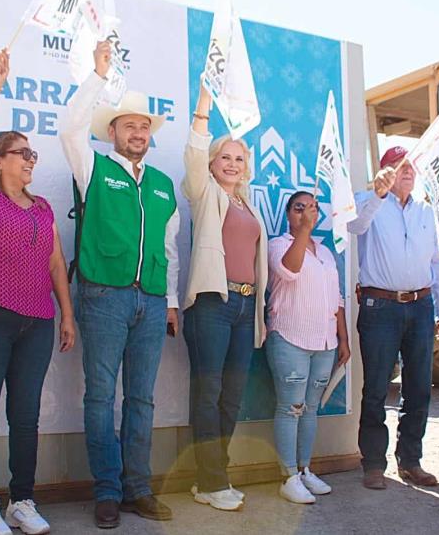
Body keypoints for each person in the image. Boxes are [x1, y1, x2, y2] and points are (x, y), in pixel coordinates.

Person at [0, 49, 75, 535]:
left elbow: (54, 262)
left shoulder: (42, 207)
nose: (30, 160)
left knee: (26, 416)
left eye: (32, 155)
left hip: (36, 320)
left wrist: (65, 314)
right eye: (22, 153)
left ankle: (22, 500)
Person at [59, 40, 180, 529]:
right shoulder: (94, 169)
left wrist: (170, 302)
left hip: (150, 302)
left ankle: (138, 488)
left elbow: (170, 251)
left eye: (144, 126)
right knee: (99, 397)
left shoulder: (163, 184)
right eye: (128, 124)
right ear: (112, 131)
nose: (137, 131)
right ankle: (107, 490)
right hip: (102, 296)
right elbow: (69, 129)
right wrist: (97, 75)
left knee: (142, 398)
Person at [182, 86, 269, 511]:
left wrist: (260, 312)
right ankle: (212, 482)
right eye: (225, 157)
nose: (232, 164)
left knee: (232, 396)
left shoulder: (248, 204)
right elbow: (194, 155)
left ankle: (214, 478)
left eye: (239, 158)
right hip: (213, 305)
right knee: (208, 393)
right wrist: (203, 107)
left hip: (245, 306)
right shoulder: (205, 193)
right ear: (213, 164)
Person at [348, 146, 439, 491]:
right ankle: (374, 464)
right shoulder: (367, 200)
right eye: (398, 165)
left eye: (411, 165)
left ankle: (410, 461)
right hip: (381, 307)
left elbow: (438, 262)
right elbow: (353, 225)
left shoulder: (427, 211)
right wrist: (378, 195)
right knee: (377, 388)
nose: (406, 171)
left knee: (419, 388)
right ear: (384, 171)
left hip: (421, 306)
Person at [266, 192, 350, 504]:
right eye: (298, 208)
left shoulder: (327, 254)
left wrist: (343, 338)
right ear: (288, 214)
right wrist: (303, 229)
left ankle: (304, 469)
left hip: (325, 342)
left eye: (311, 208)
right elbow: (290, 270)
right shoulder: (278, 244)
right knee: (291, 407)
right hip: (290, 338)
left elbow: (336, 299)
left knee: (311, 408)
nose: (305, 213)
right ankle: (287, 476)